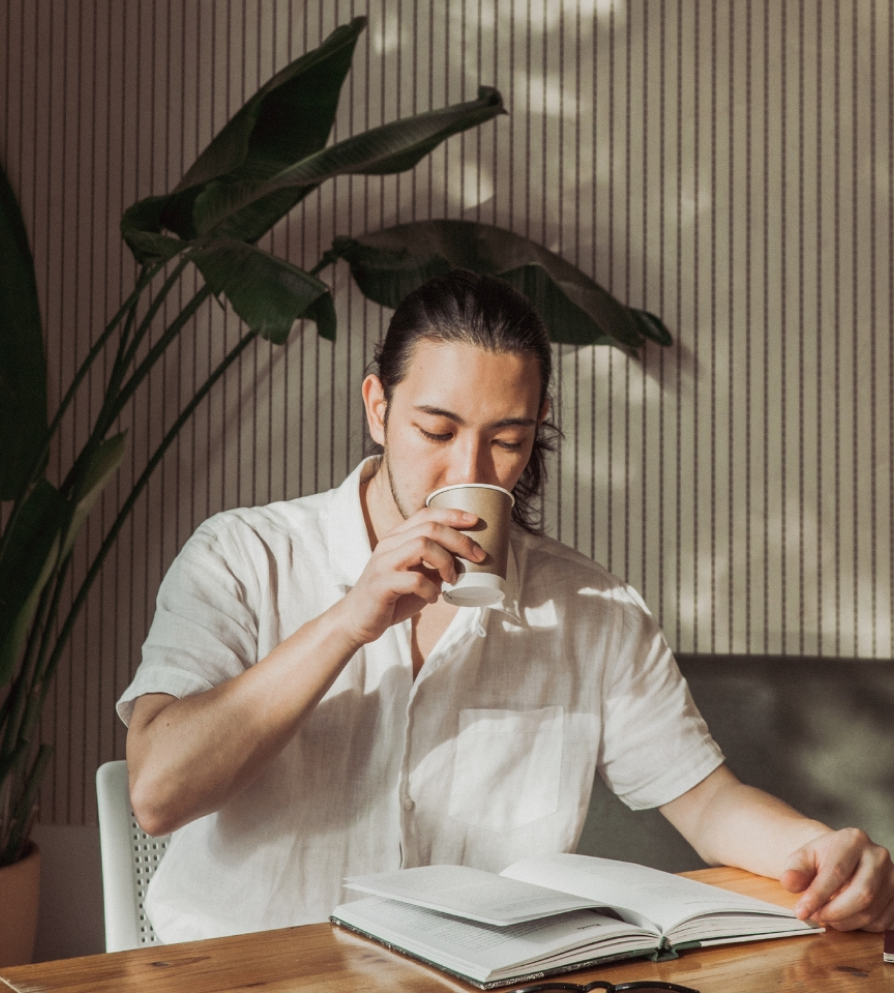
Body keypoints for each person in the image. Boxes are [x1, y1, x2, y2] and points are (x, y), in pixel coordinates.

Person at [120, 269, 894, 943]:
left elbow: (708, 801)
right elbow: (158, 793)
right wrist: (348, 621)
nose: (471, 468)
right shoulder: (241, 556)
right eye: (437, 429)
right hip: (247, 976)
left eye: (508, 439)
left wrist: (823, 851)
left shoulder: (592, 609)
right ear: (378, 408)